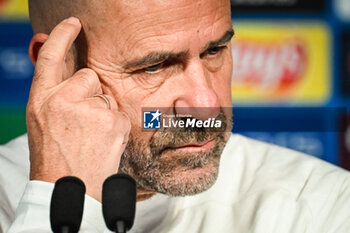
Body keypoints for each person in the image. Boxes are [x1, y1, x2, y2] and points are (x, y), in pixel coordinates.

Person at [0, 0, 349, 232]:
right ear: (57, 65)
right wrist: (56, 202)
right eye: (155, 66)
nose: (206, 104)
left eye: (214, 50)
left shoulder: (319, 205)